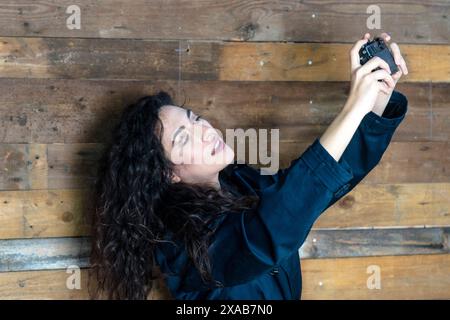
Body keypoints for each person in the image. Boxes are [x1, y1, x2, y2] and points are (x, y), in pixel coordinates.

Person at [89, 32, 409, 300]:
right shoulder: (178, 243)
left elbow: (320, 187)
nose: (205, 130)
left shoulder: (241, 181)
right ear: (167, 174)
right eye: (185, 139)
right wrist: (353, 108)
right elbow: (272, 229)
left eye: (196, 118)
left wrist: (376, 101)